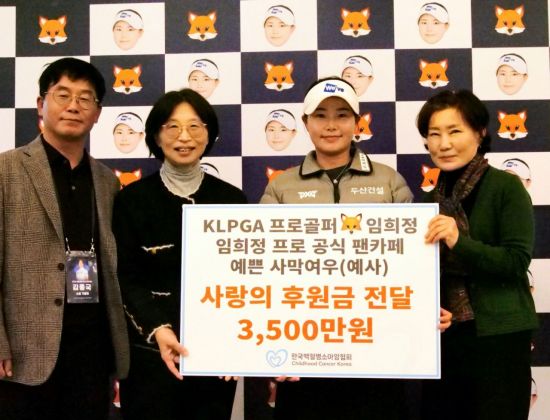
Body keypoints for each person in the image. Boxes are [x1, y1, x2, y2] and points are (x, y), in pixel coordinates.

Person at [259, 76, 451, 419]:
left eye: (342, 115)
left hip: (377, 348)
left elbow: (413, 260)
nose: (331, 125)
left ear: (357, 122)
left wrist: (426, 304)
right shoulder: (281, 186)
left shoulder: (388, 180)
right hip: (303, 350)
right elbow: (261, 268)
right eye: (320, 116)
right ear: (305, 123)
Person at [0, 57, 129, 420]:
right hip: (24, 354)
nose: (74, 106)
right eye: (63, 95)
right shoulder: (6, 169)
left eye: (85, 98)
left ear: (97, 114)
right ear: (41, 104)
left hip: (92, 353)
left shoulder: (107, 181)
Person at [112, 88, 247, 420]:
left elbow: (246, 280)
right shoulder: (131, 200)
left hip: (214, 358)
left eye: (195, 126)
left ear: (209, 134)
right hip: (149, 356)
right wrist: (159, 329)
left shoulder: (232, 200)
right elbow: (125, 278)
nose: (184, 137)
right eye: (172, 127)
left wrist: (235, 344)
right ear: (156, 136)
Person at [417, 89, 538, 420]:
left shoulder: (506, 187)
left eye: (455, 131)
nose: (444, 144)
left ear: (480, 133)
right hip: (444, 339)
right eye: (434, 134)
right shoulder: (429, 200)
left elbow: (516, 262)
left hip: (499, 338)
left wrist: (459, 240)